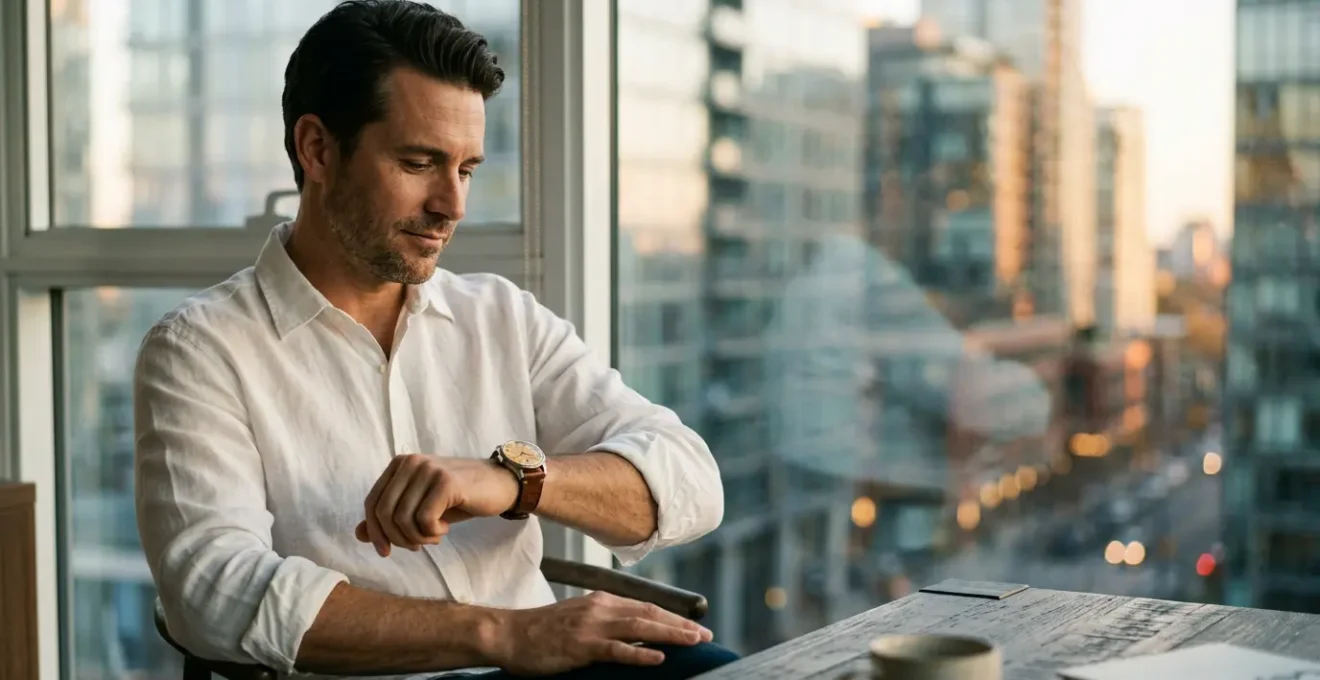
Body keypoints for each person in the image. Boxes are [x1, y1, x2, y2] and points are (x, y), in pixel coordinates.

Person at [132, 2, 731, 678]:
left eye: (466, 169)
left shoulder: (502, 316)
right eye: (419, 163)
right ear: (318, 148)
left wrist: (512, 482)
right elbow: (212, 590)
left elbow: (691, 481)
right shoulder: (198, 351)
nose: (454, 204)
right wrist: (503, 635)